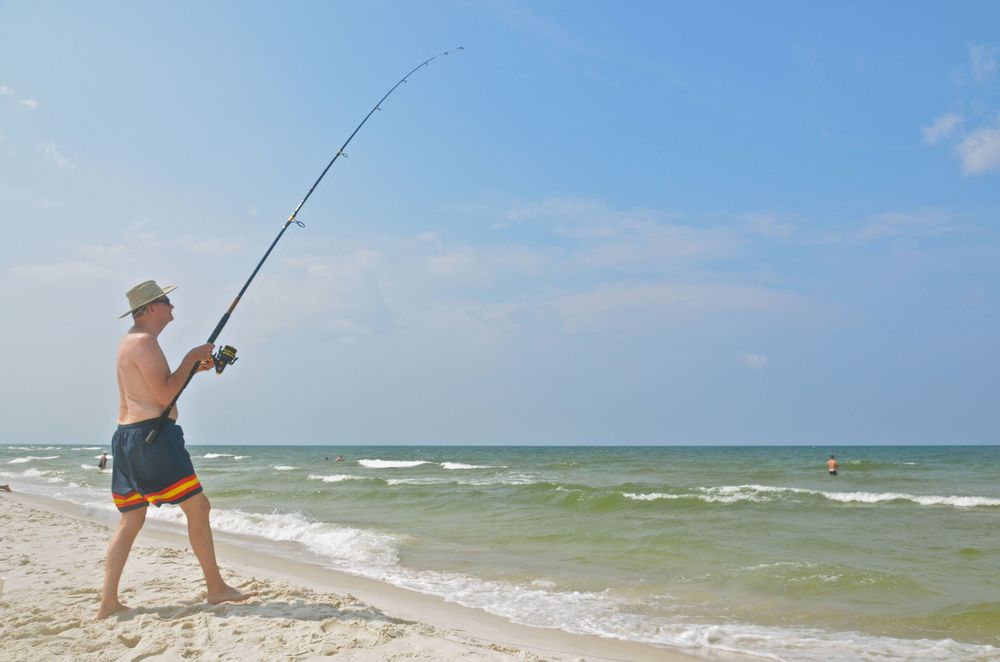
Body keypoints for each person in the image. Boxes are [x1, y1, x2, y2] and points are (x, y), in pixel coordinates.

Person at [98, 280, 255, 619]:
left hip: (127, 438)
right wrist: (188, 358)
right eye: (167, 302)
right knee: (198, 508)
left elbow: (157, 389)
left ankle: (107, 603)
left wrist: (191, 369)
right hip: (151, 440)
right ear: (150, 308)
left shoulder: (130, 342)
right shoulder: (145, 343)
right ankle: (216, 588)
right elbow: (166, 396)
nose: (172, 307)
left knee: (131, 520)